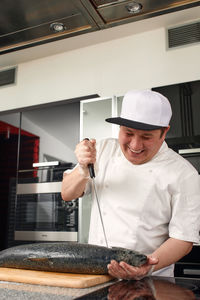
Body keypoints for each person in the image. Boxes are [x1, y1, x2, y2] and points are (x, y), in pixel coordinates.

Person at [61, 89, 200, 280]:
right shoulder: (102, 150)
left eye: (146, 137)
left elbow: (183, 239)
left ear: (164, 132)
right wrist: (83, 169)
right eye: (128, 133)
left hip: (150, 281)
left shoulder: (184, 174)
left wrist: (146, 267)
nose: (135, 145)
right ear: (119, 128)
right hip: (96, 275)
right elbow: (67, 193)